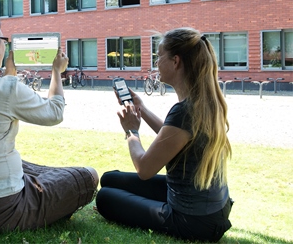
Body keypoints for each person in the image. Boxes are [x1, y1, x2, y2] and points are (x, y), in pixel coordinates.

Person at [0, 11, 98, 231]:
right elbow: (55, 112)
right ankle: (61, 177)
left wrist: (8, 76)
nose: (4, 46)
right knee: (88, 175)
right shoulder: (7, 88)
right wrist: (56, 72)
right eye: (3, 41)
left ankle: (51, 176)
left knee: (20, 163)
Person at [96, 28, 233, 242]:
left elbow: (144, 169)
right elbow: (176, 139)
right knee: (109, 178)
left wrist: (131, 131)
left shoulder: (185, 111)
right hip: (212, 210)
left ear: (176, 61)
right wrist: (142, 108)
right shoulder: (203, 103)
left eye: (159, 56)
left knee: (105, 197)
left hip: (193, 221)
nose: (156, 63)